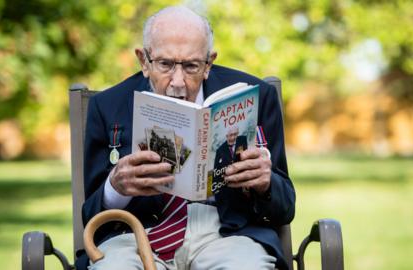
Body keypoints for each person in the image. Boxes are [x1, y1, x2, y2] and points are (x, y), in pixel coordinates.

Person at [78, 5, 295, 270]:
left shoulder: (256, 96)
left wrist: (265, 183)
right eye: (165, 64)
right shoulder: (107, 105)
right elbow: (89, 215)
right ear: (144, 61)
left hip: (225, 234)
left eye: (191, 66)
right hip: (135, 236)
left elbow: (286, 208)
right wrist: (115, 188)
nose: (177, 82)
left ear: (209, 63)